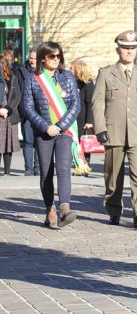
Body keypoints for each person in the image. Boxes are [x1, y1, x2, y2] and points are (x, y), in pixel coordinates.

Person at [92, 30, 137, 228]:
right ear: (118, 49)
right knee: (113, 176)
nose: (129, 51)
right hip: (113, 131)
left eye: (132, 48)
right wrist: (100, 128)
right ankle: (114, 210)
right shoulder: (106, 73)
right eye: (125, 48)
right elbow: (97, 103)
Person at [22, 42, 80, 228]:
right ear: (43, 58)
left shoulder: (67, 77)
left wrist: (61, 126)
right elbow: (28, 107)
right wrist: (46, 126)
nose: (56, 59)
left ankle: (65, 208)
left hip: (64, 131)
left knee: (63, 169)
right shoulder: (33, 79)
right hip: (43, 133)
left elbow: (75, 105)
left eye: (58, 56)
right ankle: (50, 210)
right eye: (51, 56)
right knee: (46, 172)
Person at [15, 47, 39, 176]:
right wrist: (20, 110)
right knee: (28, 141)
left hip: (40, 112)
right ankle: (28, 168)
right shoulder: (21, 70)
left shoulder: (43, 71)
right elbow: (18, 91)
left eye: (35, 58)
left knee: (39, 142)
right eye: (31, 58)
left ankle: (38, 168)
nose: (32, 61)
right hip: (26, 111)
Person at [70, 58, 95, 166]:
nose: (69, 70)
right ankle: (77, 164)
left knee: (84, 143)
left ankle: (84, 165)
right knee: (75, 143)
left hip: (83, 119)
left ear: (78, 69)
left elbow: (90, 103)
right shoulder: (72, 82)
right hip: (73, 119)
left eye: (71, 68)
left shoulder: (88, 83)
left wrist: (89, 121)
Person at [0, 56, 21, 176]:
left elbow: (17, 96)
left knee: (8, 144)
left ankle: (7, 171)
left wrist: (7, 109)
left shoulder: (12, 78)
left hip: (10, 115)